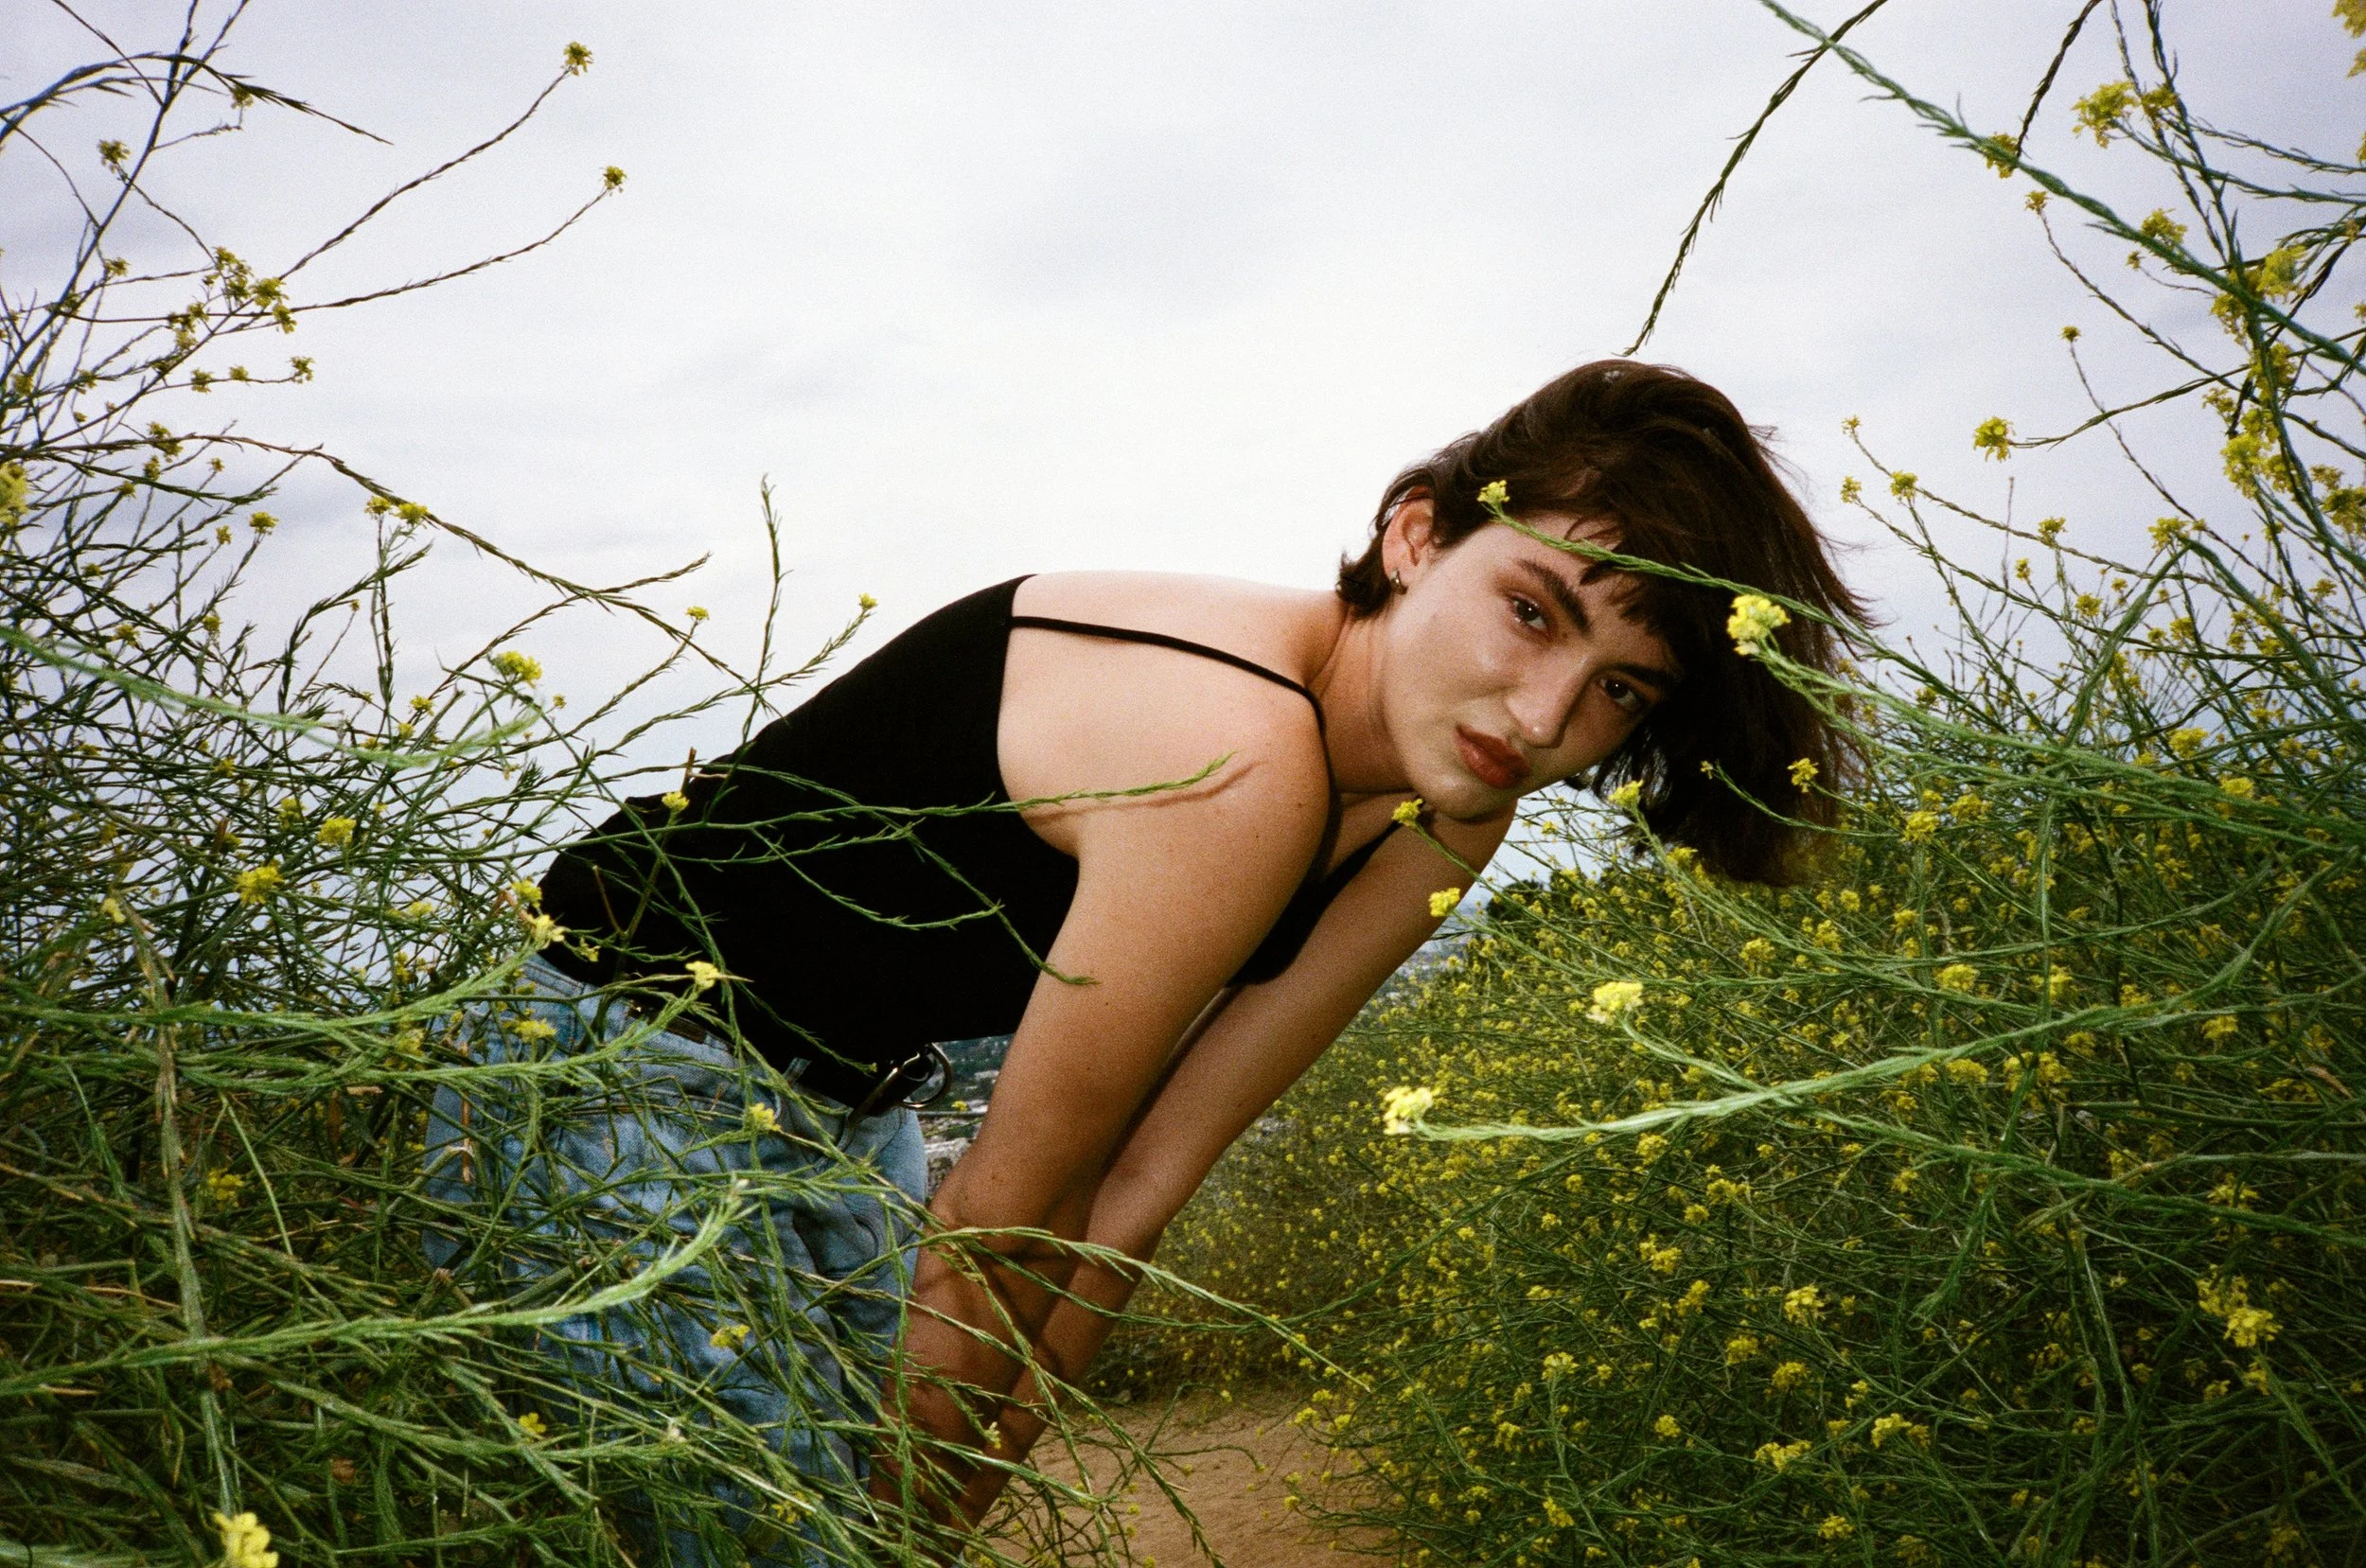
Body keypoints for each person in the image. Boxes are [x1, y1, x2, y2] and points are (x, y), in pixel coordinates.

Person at [443, 358, 1863, 1559]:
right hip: (606, 1051)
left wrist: (941, 1516)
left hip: (847, 1105)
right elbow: (1006, 1214)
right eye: (1534, 609)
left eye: (1622, 687)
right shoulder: (1233, 749)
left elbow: (1135, 1189)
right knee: (753, 1530)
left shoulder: (1451, 809)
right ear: (1418, 536)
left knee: (848, 1513)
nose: (1546, 713)